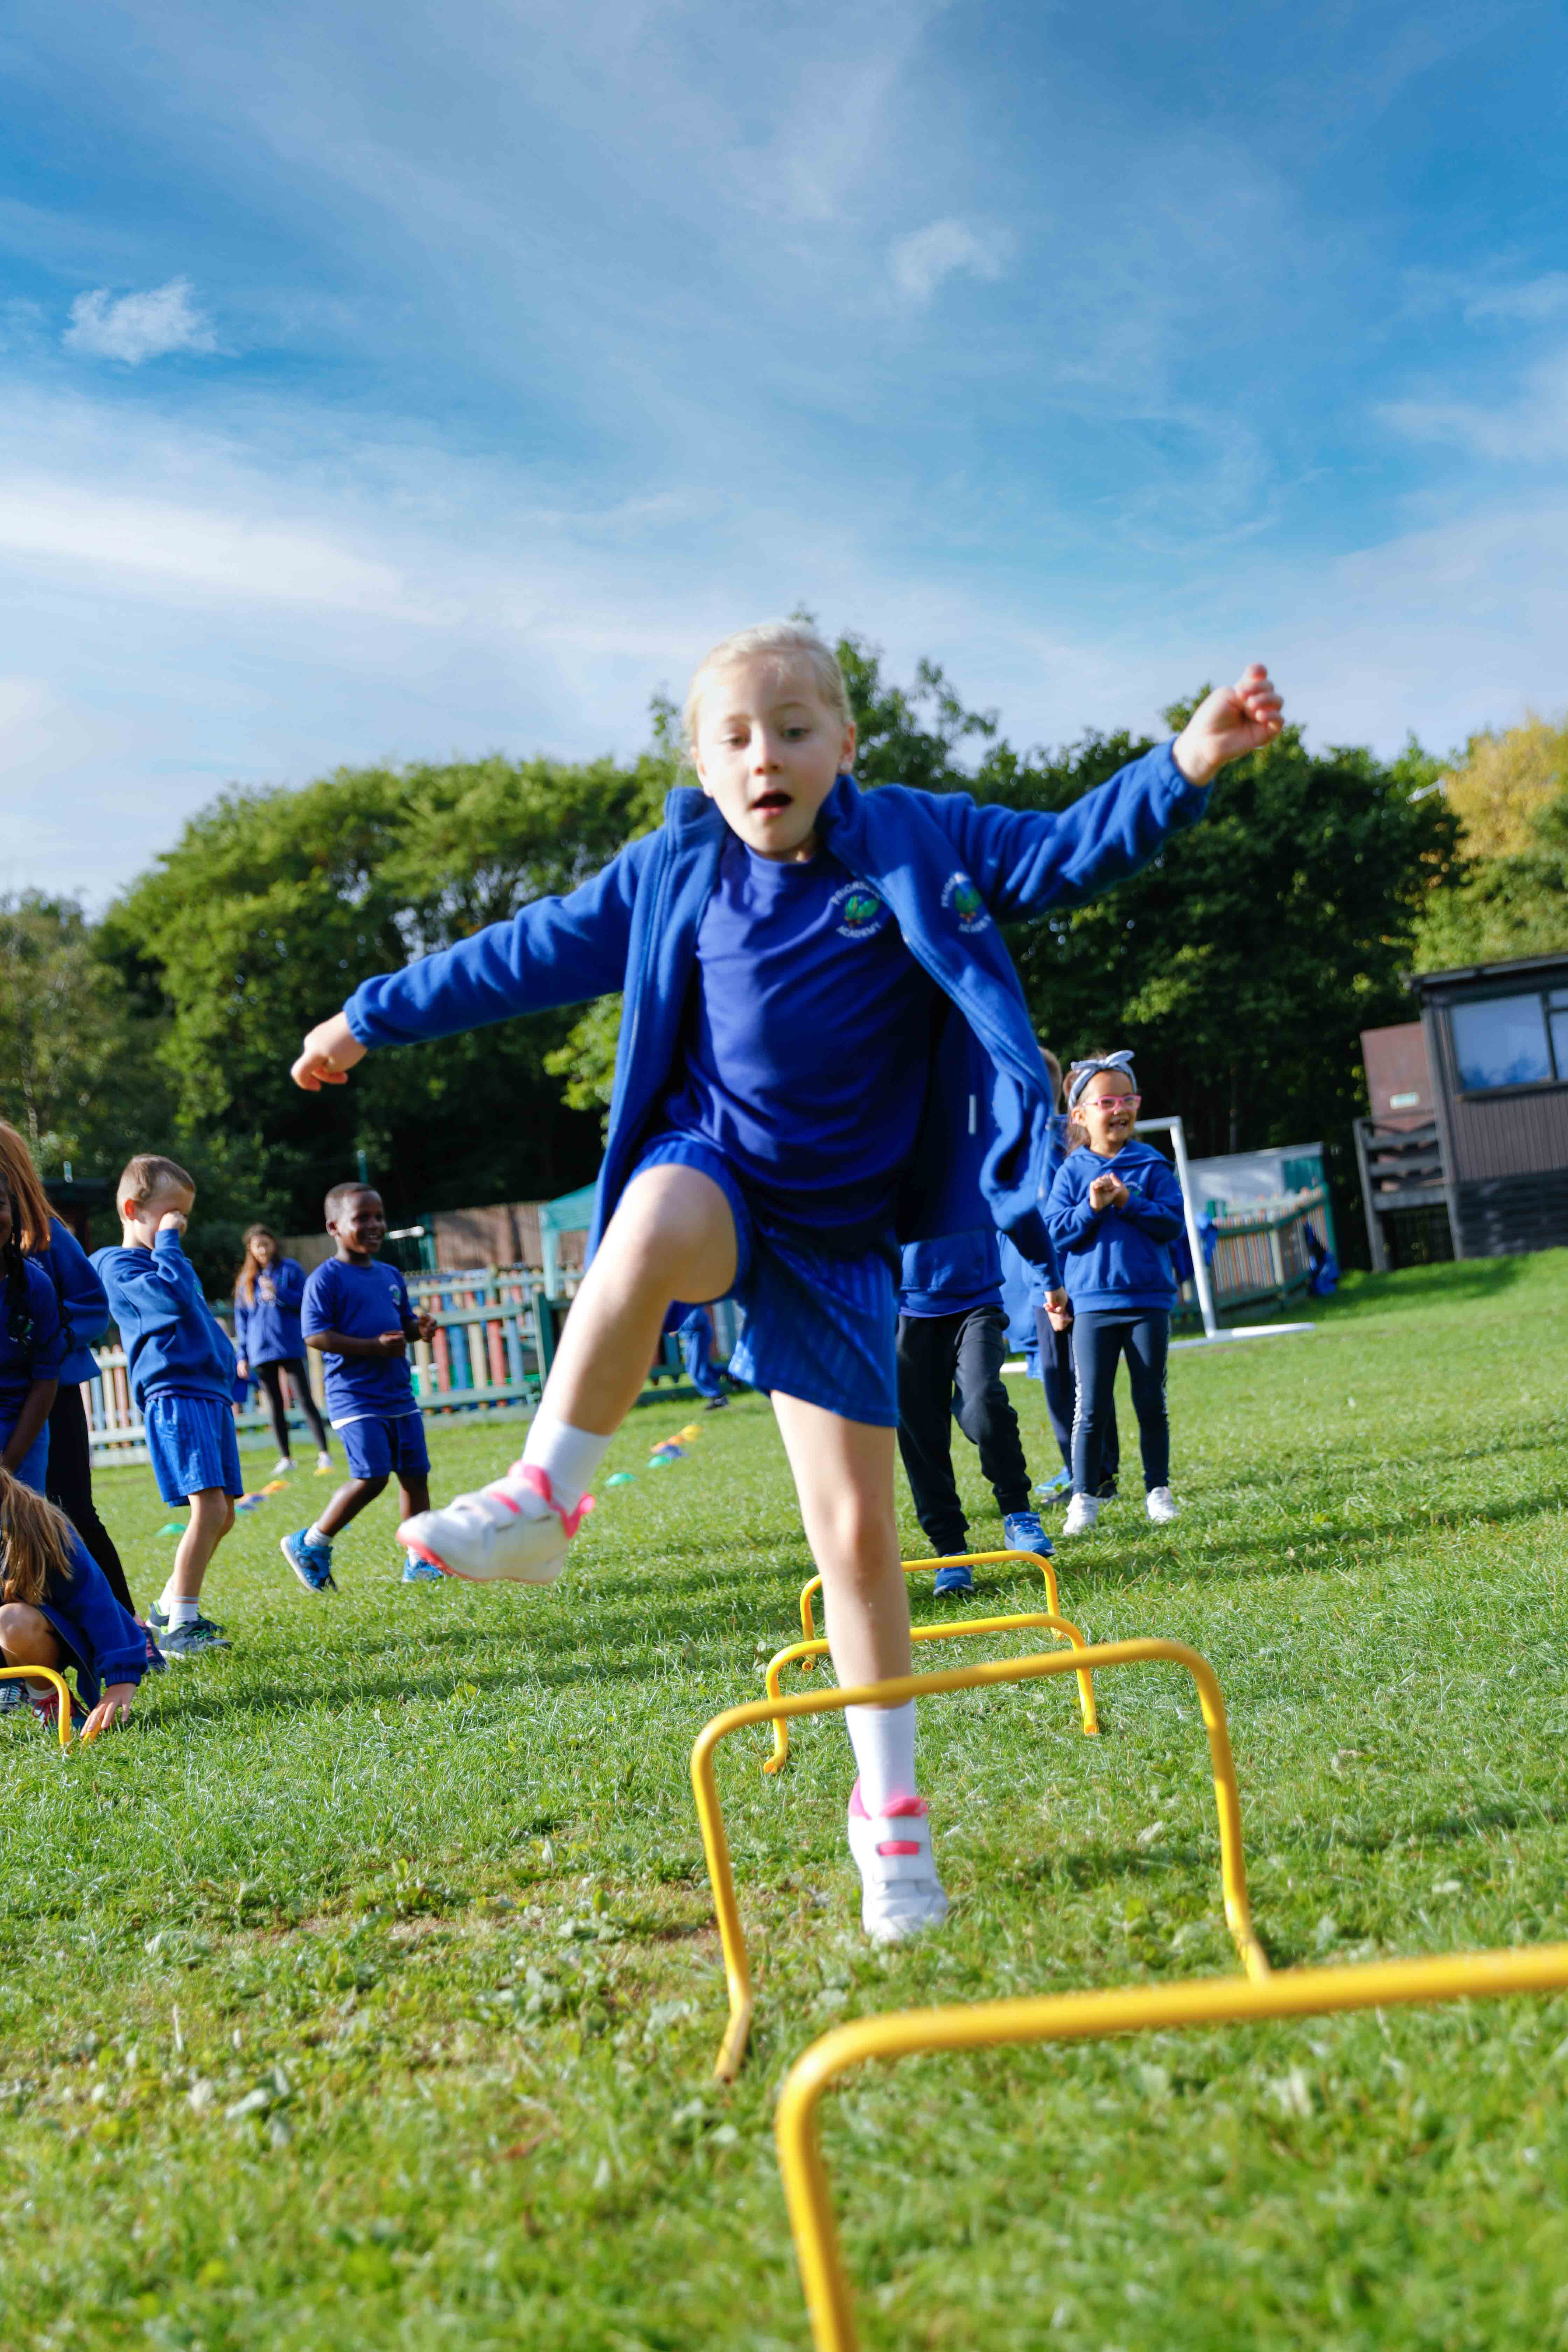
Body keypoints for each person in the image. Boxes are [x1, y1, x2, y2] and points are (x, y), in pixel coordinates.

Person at [288, 622, 1282, 1942]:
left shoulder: (917, 839)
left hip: (842, 1243)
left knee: (857, 1537)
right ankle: (544, 1496)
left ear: (844, 745)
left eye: (795, 730)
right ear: (702, 765)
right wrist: (369, 1015)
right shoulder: (673, 869)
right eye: (737, 738)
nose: (767, 756)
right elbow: (516, 952)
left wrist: (1185, 761)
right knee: (649, 1212)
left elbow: (1060, 850)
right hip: (719, 1175)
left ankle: (891, 1809)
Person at [91, 1155, 240, 1659]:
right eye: (171, 1213)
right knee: (209, 1508)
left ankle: (166, 1607)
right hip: (175, 1394)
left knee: (225, 1514)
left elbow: (195, 1315)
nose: (180, 1223)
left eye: (184, 1216)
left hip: (207, 1393)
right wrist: (170, 1242)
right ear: (133, 1210)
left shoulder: (171, 1261)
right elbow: (171, 1301)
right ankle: (182, 1627)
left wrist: (227, 1363)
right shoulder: (118, 1265)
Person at [0, 1120, 141, 1619]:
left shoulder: (48, 1235)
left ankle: (129, 1629)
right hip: (8, 1399)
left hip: (51, 1395)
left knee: (70, 1513)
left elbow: (93, 1308)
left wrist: (45, 1343)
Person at [1045, 1053, 1185, 1535]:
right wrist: (1091, 1207)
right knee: (1091, 1408)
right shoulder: (1071, 1172)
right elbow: (1055, 1232)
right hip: (1092, 1307)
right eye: (1107, 1102)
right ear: (1080, 1115)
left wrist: (1128, 1201)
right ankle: (1083, 1498)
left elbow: (1172, 1223)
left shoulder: (1152, 1164)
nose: (1120, 1109)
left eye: (1128, 1099)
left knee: (1151, 1401)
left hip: (1148, 1304)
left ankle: (1158, 1491)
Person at [280, 1184, 438, 1590]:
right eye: (362, 1218)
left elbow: (401, 1326)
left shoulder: (389, 1275)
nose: (375, 1225)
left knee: (415, 1476)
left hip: (397, 1392)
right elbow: (315, 1335)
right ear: (334, 1227)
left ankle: (420, 1560)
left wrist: (418, 1329)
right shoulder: (326, 1279)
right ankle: (311, 1544)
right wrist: (373, 1348)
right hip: (355, 1396)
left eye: (379, 1217)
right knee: (372, 1477)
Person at [894, 1222, 1049, 1596]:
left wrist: (1050, 1276)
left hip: (976, 1303)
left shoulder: (973, 1177)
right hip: (904, 1309)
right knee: (920, 1434)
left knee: (984, 1403)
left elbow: (1018, 1212)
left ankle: (1018, 1513)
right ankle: (950, 1552)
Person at [997, 1047, 1119, 1506]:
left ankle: (1092, 1477)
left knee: (1071, 1385)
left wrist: (1055, 1288)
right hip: (1048, 1286)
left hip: (1061, 1287)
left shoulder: (1050, 1145)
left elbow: (1052, 1221)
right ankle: (1090, 1473)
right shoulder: (1038, 1142)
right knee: (1069, 1383)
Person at [0, 1468, 147, 1737]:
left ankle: (50, 1700)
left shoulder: (37, 1522)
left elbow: (96, 1601)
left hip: (48, 1636)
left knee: (12, 1621)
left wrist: (122, 1676)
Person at [233, 1225, 333, 1476]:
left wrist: (280, 1292)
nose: (263, 1250)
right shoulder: (246, 1280)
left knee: (304, 1399)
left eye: (266, 1244)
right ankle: (286, 1458)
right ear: (251, 1249)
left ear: (274, 1244)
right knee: (275, 1405)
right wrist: (242, 1355)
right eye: (258, 1246)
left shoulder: (290, 1269)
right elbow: (242, 1320)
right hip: (260, 1349)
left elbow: (306, 1301)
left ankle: (324, 1453)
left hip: (288, 1345)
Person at [0, 1175, 64, 1494]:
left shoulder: (36, 1287)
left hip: (21, 1435)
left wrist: (6, 1468)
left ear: (13, 1213)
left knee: (22, 1523)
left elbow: (45, 1381)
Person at [667, 1302, 728, 1408]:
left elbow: (696, 1319)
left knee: (697, 1370)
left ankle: (718, 1397)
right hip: (691, 1335)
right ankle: (731, 1374)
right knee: (697, 1368)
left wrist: (678, 1327)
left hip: (698, 1334)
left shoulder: (689, 1297)